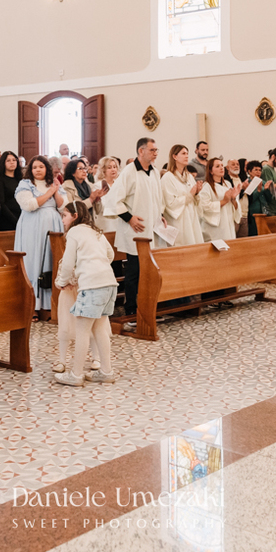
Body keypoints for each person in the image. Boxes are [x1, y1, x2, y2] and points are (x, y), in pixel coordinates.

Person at [52, 201, 118, 387]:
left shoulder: (74, 232)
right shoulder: (96, 231)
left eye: (65, 215)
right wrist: (97, 265)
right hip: (109, 283)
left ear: (75, 216)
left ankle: (76, 375)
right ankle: (106, 372)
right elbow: (111, 255)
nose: (62, 220)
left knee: (82, 331)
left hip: (92, 286)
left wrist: (61, 282)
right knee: (100, 328)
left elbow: (67, 263)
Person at [103, 139, 164, 330]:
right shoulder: (129, 172)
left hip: (151, 229)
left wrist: (160, 215)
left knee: (150, 272)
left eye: (156, 150)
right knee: (134, 272)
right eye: (152, 150)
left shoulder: (154, 171)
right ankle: (130, 311)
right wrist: (129, 218)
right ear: (141, 151)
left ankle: (147, 309)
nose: (155, 153)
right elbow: (114, 200)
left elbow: (156, 198)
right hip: (134, 230)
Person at [14, 156, 64, 318]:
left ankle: (49, 304)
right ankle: (32, 305)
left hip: (53, 227)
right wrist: (50, 192)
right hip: (32, 227)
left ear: (47, 168)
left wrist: (56, 191)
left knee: (50, 262)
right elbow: (29, 205)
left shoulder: (53, 183)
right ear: (30, 169)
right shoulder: (25, 184)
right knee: (33, 262)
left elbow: (63, 207)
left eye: (41, 167)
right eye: (34, 167)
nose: (38, 170)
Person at [159, 145, 204, 247]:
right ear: (174, 156)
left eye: (187, 153)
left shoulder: (189, 177)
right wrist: (190, 195)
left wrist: (197, 192)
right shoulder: (168, 178)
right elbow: (170, 203)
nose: (187, 156)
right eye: (183, 153)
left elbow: (195, 201)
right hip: (179, 221)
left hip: (191, 217)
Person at [198, 158, 242, 241]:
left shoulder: (228, 184)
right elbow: (203, 206)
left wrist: (233, 199)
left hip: (228, 224)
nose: (221, 168)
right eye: (217, 166)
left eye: (222, 165)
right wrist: (223, 201)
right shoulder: (206, 187)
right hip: (215, 228)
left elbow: (235, 207)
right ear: (211, 171)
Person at [0, 151, 23, 232]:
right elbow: (1, 204)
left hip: (21, 217)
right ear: (3, 163)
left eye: (14, 160)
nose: (12, 162)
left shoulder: (20, 179)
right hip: (6, 220)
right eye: (8, 161)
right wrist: (15, 220)